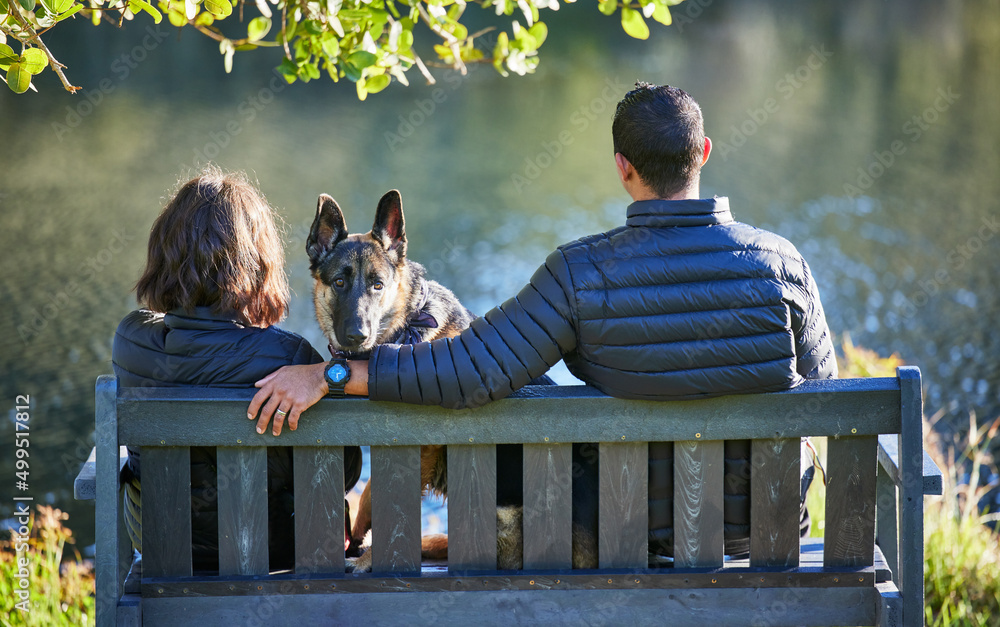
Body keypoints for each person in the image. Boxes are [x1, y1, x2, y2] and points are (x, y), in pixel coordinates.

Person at [248, 83, 837, 559]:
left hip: (631, 536)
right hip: (767, 537)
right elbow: (831, 401)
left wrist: (329, 376)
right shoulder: (784, 264)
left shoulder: (580, 273)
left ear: (622, 167)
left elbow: (469, 370)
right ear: (704, 153)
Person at [113, 167, 362, 572]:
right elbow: (343, 471)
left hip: (164, 548)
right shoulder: (289, 357)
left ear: (164, 253)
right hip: (274, 550)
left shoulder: (131, 341)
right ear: (257, 263)